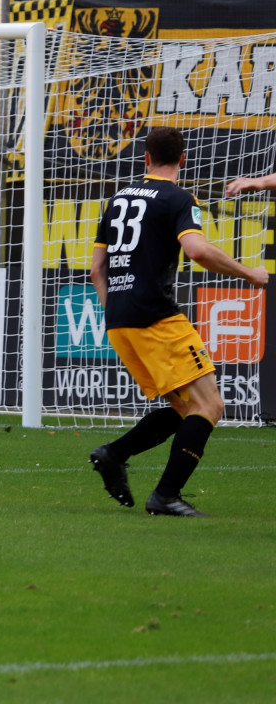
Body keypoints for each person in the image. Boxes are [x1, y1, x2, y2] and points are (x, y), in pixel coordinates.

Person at [88, 127, 268, 517]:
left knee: (188, 408)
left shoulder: (118, 199)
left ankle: (114, 454)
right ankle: (165, 495)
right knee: (210, 405)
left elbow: (97, 270)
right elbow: (197, 250)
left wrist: (117, 312)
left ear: (146, 158)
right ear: (183, 159)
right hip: (156, 317)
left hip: (119, 320)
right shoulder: (178, 198)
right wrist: (249, 273)